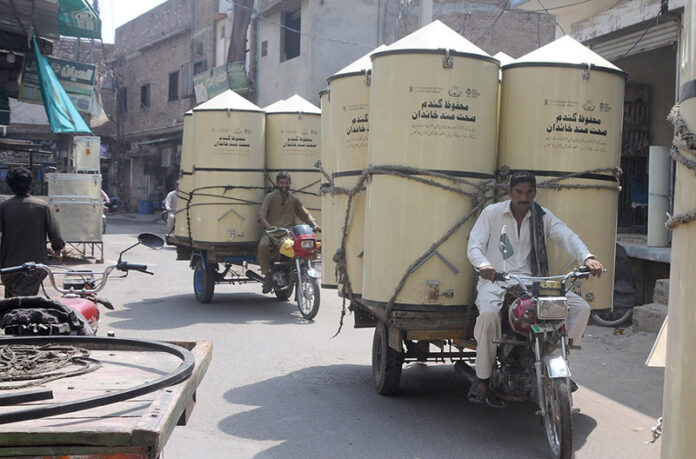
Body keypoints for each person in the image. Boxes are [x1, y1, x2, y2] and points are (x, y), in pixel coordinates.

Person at [466, 171, 603, 408]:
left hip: (532, 282)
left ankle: (560, 364)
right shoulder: (492, 213)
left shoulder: (541, 216)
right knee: (488, 316)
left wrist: (587, 257)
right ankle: (482, 379)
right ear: (510, 192)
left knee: (580, 307)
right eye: (519, 192)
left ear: (534, 194)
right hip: (496, 281)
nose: (524, 197)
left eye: (529, 192)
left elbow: (566, 236)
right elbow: (474, 245)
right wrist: (484, 265)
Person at [0, 167, 65, 298]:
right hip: (35, 268)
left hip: (9, 268)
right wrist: (57, 250)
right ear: (31, 184)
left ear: (10, 186)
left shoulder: (4, 207)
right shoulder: (42, 206)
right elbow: (56, 238)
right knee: (28, 303)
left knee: (10, 304)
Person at [257, 171, 320, 292]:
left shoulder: (294, 199)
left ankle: (307, 271)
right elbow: (261, 216)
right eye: (281, 183)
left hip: (288, 235)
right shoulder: (270, 197)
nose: (284, 185)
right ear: (277, 183)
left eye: (286, 183)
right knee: (263, 245)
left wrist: (314, 225)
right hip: (272, 233)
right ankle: (268, 277)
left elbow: (305, 214)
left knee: (309, 245)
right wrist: (268, 226)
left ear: (290, 183)